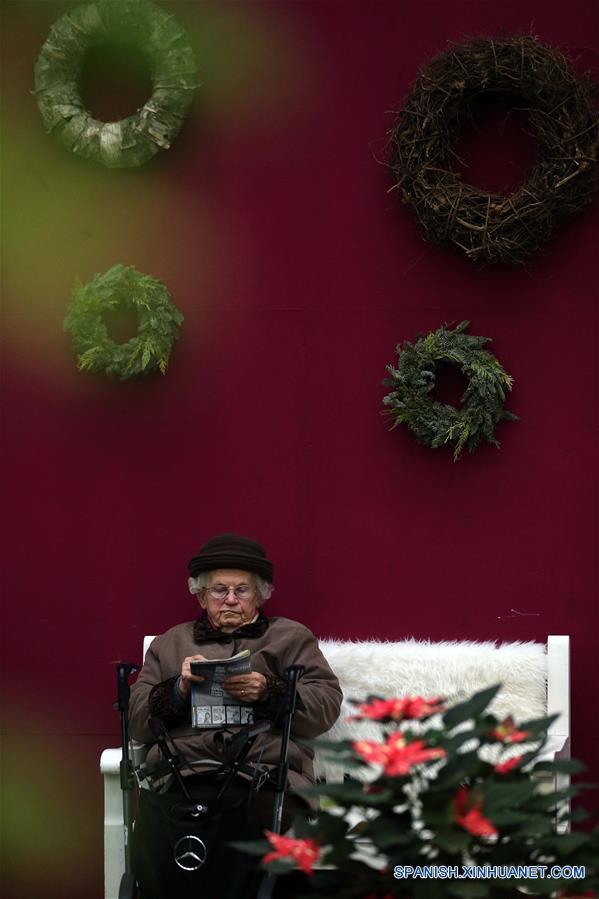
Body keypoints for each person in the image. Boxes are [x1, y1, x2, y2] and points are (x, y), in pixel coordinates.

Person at [129, 533, 342, 899]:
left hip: (264, 776)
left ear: (260, 595)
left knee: (231, 821)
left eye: (242, 590)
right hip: (187, 772)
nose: (230, 599)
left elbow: (325, 704)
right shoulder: (170, 644)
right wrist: (178, 689)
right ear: (199, 595)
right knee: (184, 819)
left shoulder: (290, 638)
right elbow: (136, 719)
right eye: (219, 590)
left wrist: (269, 690)